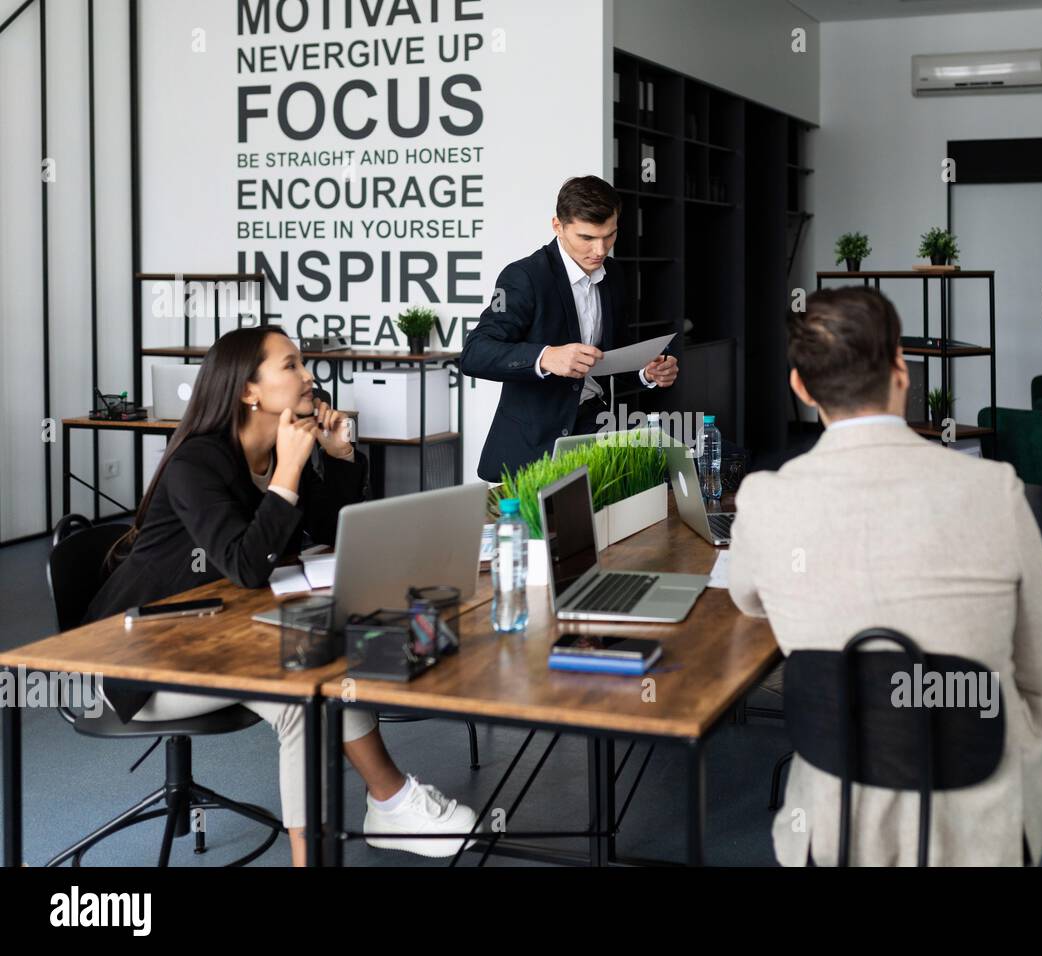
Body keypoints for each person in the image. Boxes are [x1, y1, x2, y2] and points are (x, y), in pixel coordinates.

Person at [85, 326, 477, 865]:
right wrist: (291, 469)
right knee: (302, 695)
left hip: (221, 630)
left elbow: (325, 532)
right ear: (249, 391)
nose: (308, 375)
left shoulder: (274, 449)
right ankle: (340, 838)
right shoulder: (197, 463)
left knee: (340, 648)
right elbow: (248, 566)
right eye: (290, 365)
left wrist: (337, 458)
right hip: (136, 654)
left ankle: (390, 803)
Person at [727, 287, 1042, 866]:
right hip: (979, 813)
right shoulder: (994, 490)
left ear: (800, 385)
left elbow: (746, 598)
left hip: (838, 814)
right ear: (903, 369)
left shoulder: (765, 499)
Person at [460, 175, 679, 481]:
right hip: (533, 444)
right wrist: (546, 357)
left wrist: (647, 371)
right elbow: (474, 353)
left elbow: (614, 349)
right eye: (587, 238)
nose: (600, 250)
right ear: (558, 227)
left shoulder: (613, 275)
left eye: (610, 235)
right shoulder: (523, 277)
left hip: (593, 426)